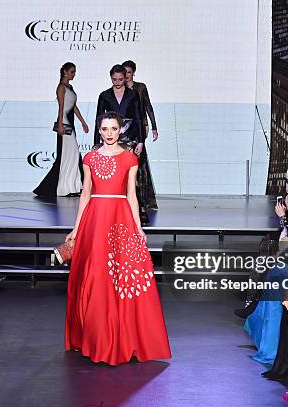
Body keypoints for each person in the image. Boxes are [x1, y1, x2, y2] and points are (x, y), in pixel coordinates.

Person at [64, 112, 171, 365]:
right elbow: (85, 194)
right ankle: (95, 336)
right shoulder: (89, 157)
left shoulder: (129, 158)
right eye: (105, 129)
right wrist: (76, 228)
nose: (109, 133)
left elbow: (131, 195)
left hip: (120, 220)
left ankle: (123, 337)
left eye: (113, 128)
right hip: (94, 221)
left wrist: (138, 227)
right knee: (95, 277)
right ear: (99, 131)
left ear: (119, 130)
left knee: (120, 278)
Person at [94, 65, 148, 222]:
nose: (117, 82)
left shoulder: (132, 94)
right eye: (114, 79)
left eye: (120, 79)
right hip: (110, 138)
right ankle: (113, 212)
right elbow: (98, 119)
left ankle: (137, 209)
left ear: (126, 77)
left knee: (132, 174)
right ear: (110, 77)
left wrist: (141, 141)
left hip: (130, 138)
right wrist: (96, 143)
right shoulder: (104, 95)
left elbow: (138, 117)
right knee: (114, 175)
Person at [34, 62, 89, 197]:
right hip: (64, 123)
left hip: (71, 124)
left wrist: (83, 122)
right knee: (67, 155)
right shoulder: (61, 88)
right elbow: (61, 107)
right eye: (72, 72)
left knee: (73, 155)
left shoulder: (70, 87)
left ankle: (73, 186)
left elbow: (73, 106)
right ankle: (65, 187)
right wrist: (60, 125)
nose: (74, 74)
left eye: (74, 72)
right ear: (65, 72)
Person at [122, 60, 158, 210]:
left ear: (133, 72)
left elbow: (148, 106)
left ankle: (141, 197)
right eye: (124, 72)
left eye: (129, 72)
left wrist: (154, 126)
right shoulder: (119, 89)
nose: (126, 75)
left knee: (139, 159)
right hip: (124, 129)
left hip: (140, 126)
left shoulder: (140, 87)